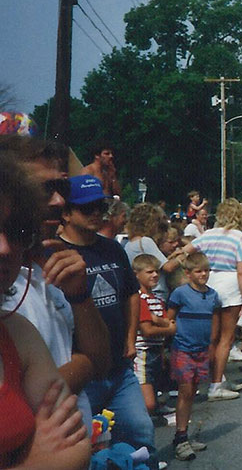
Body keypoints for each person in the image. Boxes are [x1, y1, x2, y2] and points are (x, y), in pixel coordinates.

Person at [0, 135, 110, 424]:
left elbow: (101, 361)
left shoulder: (52, 266)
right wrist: (82, 363)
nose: (60, 200)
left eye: (61, 186)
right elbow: (17, 397)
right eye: (43, 189)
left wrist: (80, 295)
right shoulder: (6, 277)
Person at [0, 152, 91, 470]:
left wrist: (80, 295)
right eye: (44, 188)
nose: (4, 247)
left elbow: (72, 446)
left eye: (14, 230)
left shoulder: (17, 330)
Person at [59, 175, 155, 459]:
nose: (97, 214)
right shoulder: (57, 253)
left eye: (100, 206)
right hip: (83, 372)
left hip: (119, 367)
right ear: (66, 212)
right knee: (89, 448)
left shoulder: (112, 247)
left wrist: (130, 339)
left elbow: (131, 293)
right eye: (87, 208)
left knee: (140, 430)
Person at [188, 198, 242, 398]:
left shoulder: (208, 234)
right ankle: (216, 386)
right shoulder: (239, 237)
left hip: (209, 282)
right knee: (226, 338)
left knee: (212, 338)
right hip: (230, 284)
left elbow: (187, 250)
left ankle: (217, 378)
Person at [165, 252, 220, 460]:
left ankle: (184, 434)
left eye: (206, 270)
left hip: (202, 350)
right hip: (183, 348)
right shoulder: (180, 294)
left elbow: (214, 323)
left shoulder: (213, 295)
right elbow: (169, 320)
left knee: (193, 392)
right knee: (185, 391)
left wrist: (211, 346)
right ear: (188, 274)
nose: (204, 274)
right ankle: (180, 438)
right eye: (199, 271)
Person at [131, 253, 175, 417]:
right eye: (149, 272)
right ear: (137, 274)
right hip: (143, 352)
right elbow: (147, 330)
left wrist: (161, 322)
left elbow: (165, 320)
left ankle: (154, 412)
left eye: (156, 271)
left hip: (156, 350)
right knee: (147, 400)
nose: (155, 275)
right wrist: (168, 329)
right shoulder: (140, 298)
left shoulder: (156, 299)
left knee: (154, 386)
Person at [123, 203, 179, 301]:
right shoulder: (145, 242)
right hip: (155, 294)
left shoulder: (129, 244)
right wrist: (183, 255)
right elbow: (168, 267)